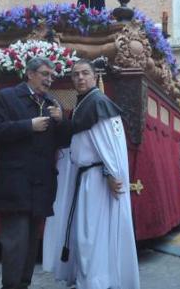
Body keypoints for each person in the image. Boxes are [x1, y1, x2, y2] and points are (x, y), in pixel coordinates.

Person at [43, 59, 139, 289]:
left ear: (95, 76)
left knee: (92, 235)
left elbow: (110, 147)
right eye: (75, 74)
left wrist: (110, 173)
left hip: (98, 181)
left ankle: (97, 281)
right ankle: (87, 278)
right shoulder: (83, 103)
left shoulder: (98, 102)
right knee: (84, 234)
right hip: (85, 179)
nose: (80, 78)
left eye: (85, 73)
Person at [0, 57, 71, 289]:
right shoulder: (7, 97)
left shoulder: (53, 102)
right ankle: (10, 285)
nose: (49, 79)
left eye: (52, 76)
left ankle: (23, 284)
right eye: (45, 74)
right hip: (15, 182)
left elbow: (63, 142)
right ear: (30, 74)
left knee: (32, 241)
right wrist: (28, 126)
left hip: (42, 183)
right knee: (15, 241)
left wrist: (61, 121)